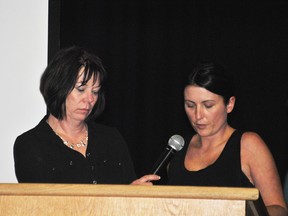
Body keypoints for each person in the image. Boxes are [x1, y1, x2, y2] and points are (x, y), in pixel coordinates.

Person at [14, 46, 159, 185]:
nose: (90, 99)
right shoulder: (30, 145)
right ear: (58, 87)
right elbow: (43, 206)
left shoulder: (111, 139)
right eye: (81, 89)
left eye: (95, 92)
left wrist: (132, 193)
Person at [167, 62, 287, 215]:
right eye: (190, 105)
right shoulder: (178, 150)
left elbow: (279, 210)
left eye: (208, 105)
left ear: (229, 104)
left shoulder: (248, 145)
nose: (198, 116)